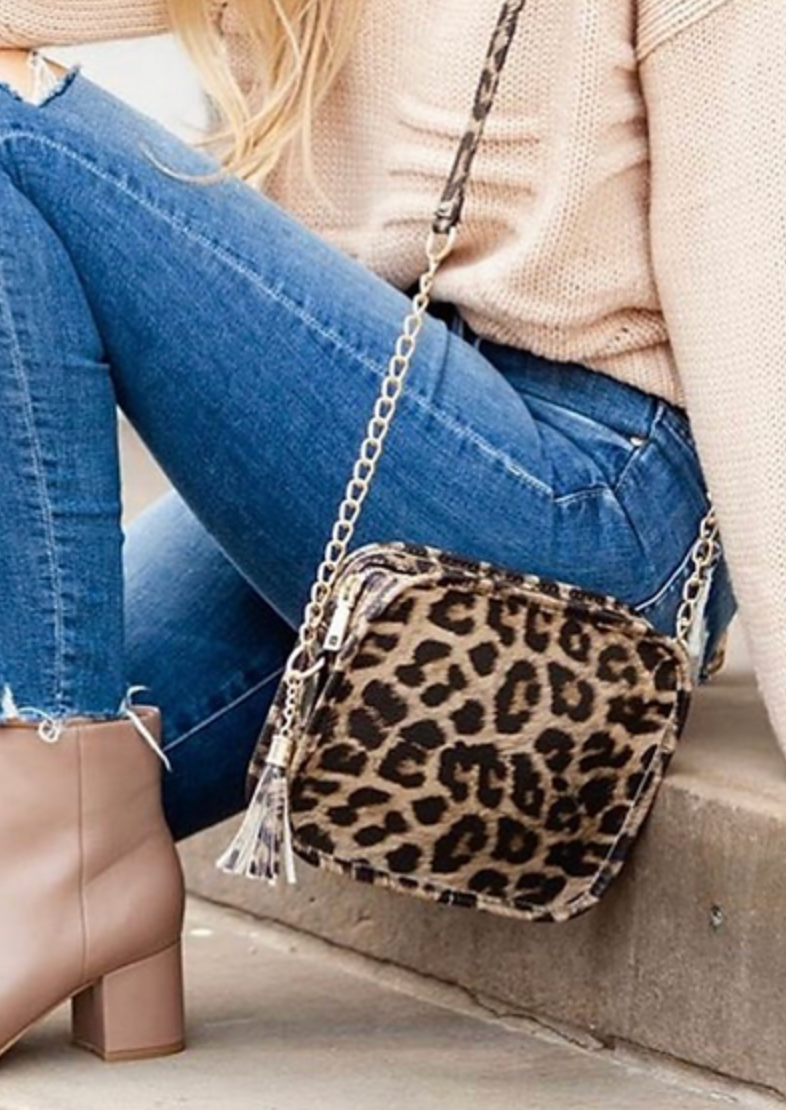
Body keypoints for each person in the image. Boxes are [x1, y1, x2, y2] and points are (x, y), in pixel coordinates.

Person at [0, 0, 771, 1065]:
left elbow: (756, 319)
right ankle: (72, 852)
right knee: (45, 762)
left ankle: (59, 837)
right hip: (363, 436)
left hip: (582, 507)